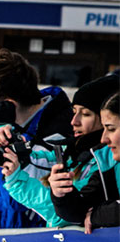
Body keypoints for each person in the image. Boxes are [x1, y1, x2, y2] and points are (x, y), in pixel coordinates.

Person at [0, 49, 75, 235]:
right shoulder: (21, 128)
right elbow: (7, 200)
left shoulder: (55, 138)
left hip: (40, 241)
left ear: (8, 105)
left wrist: (0, 148)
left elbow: (19, 200)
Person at [0, 73, 119, 230]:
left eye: (85, 114)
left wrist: (18, 179)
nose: (74, 121)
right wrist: (3, 136)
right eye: (74, 112)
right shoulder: (69, 151)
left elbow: (63, 216)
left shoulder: (104, 159)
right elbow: (32, 160)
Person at [51, 86, 120, 231]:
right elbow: (81, 209)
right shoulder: (108, 162)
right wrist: (61, 193)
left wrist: (97, 215)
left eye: (111, 129)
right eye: (104, 128)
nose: (104, 138)